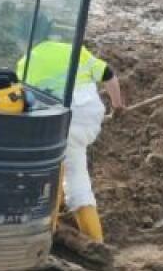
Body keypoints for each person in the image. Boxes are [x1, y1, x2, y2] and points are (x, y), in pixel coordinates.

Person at [17, 22, 124, 243]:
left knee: (55, 174)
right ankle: (94, 238)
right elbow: (109, 75)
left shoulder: (25, 64)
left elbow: (25, 104)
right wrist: (117, 106)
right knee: (74, 171)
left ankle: (52, 229)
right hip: (89, 121)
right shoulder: (73, 51)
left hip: (62, 124)